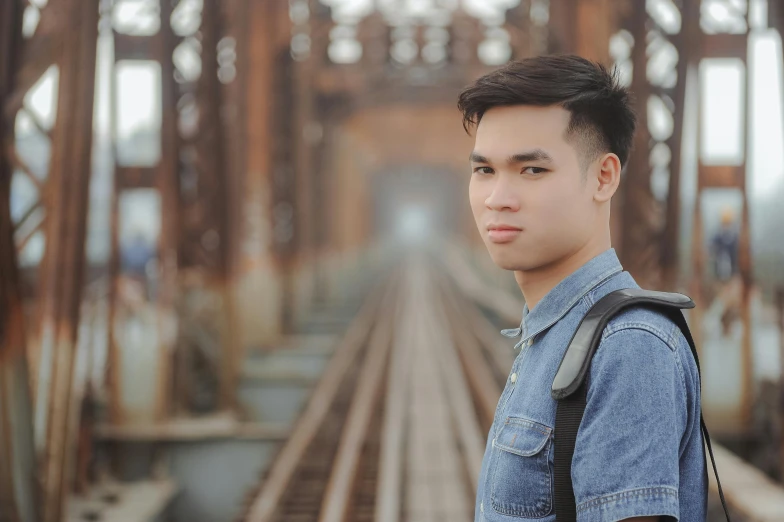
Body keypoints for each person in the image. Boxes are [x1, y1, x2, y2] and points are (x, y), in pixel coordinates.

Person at [458, 55, 706, 522]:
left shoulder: (628, 347)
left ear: (604, 177)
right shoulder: (552, 333)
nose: (497, 199)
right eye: (484, 170)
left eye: (531, 170)